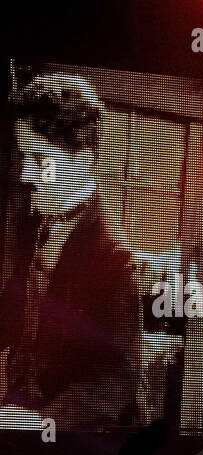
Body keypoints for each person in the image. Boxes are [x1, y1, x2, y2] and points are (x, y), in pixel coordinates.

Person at [0, 72, 142, 429]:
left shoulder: (114, 256)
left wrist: (40, 422)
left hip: (74, 436)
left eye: (41, 159)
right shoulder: (32, 222)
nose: (26, 174)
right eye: (24, 157)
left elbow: (114, 383)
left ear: (83, 158)